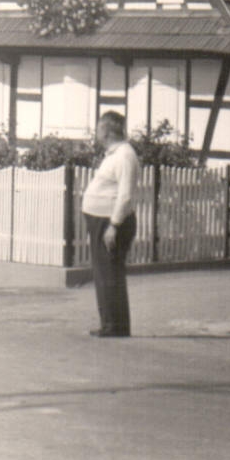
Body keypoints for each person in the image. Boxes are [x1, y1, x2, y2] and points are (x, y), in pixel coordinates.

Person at [81, 111, 141, 338]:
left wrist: (114, 226)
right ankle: (110, 323)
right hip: (102, 220)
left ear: (106, 132)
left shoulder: (125, 155)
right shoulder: (115, 154)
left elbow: (125, 195)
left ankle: (115, 326)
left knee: (110, 273)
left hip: (111, 222)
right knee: (104, 272)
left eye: (98, 129)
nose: (96, 134)